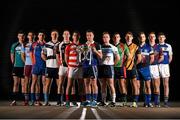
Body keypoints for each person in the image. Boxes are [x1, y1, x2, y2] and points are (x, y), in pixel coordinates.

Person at [98, 32, 120, 107]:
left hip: (109, 67)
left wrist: (113, 64)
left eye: (107, 37)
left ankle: (113, 101)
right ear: (102, 38)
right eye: (104, 37)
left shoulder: (113, 47)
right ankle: (103, 101)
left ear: (109, 38)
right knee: (103, 85)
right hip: (101, 67)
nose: (105, 38)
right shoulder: (100, 47)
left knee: (111, 84)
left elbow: (118, 58)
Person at [64, 31, 85, 107]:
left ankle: (82, 101)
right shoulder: (68, 46)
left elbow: (84, 57)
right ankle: (67, 101)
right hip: (72, 67)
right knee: (69, 85)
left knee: (81, 85)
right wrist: (69, 65)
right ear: (72, 37)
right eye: (74, 35)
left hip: (80, 68)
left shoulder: (82, 45)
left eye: (77, 35)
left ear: (79, 37)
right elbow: (66, 58)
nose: (75, 37)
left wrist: (81, 63)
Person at [82, 29, 102, 107]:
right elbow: (82, 56)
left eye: (90, 35)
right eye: (87, 35)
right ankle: (88, 100)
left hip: (93, 65)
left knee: (94, 83)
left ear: (93, 36)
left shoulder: (97, 44)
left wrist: (95, 51)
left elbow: (101, 56)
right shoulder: (84, 45)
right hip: (85, 66)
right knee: (86, 83)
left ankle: (95, 100)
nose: (89, 37)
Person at [41, 29, 60, 106]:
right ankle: (46, 101)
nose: (54, 35)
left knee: (60, 84)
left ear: (58, 35)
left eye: (55, 34)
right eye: (53, 34)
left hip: (58, 67)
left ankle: (60, 101)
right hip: (49, 67)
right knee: (47, 84)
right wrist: (47, 61)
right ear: (51, 35)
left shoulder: (60, 44)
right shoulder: (47, 44)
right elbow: (42, 54)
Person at [112, 32, 130, 106]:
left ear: (120, 38)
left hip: (120, 67)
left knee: (122, 84)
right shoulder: (110, 46)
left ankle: (124, 99)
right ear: (113, 38)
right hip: (112, 67)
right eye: (115, 37)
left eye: (118, 37)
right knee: (111, 84)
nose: (116, 38)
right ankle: (112, 99)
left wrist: (124, 64)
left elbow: (128, 56)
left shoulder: (123, 45)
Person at [137, 32, 154, 107]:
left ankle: (148, 102)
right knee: (138, 86)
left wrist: (147, 65)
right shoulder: (136, 47)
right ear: (138, 38)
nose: (141, 38)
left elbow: (152, 58)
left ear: (145, 38)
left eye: (143, 37)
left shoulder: (149, 47)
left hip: (146, 68)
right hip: (137, 68)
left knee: (147, 86)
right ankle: (136, 102)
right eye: (140, 37)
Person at [30, 31, 46, 106]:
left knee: (44, 83)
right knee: (34, 82)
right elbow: (31, 54)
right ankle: (32, 101)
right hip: (36, 66)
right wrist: (33, 64)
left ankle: (40, 100)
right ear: (38, 36)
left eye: (42, 35)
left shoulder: (46, 45)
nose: (41, 36)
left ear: (44, 36)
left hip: (44, 66)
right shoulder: (34, 44)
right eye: (40, 35)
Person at [56, 30, 72, 106]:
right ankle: (59, 101)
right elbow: (57, 56)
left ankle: (69, 100)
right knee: (60, 84)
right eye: (64, 34)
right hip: (63, 67)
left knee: (71, 85)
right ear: (62, 35)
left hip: (71, 67)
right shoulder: (60, 44)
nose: (66, 35)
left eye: (67, 34)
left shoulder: (72, 44)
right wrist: (59, 64)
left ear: (70, 35)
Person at [148, 32, 164, 107]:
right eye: (150, 36)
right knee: (147, 85)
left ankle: (156, 102)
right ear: (148, 38)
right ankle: (148, 102)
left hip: (155, 67)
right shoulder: (146, 46)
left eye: (153, 36)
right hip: (147, 67)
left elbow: (162, 57)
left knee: (156, 84)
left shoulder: (158, 47)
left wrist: (156, 62)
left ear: (155, 38)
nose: (152, 38)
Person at [10, 31, 25, 106]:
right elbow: (12, 56)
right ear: (18, 36)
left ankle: (24, 101)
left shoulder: (26, 45)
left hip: (24, 67)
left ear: (24, 37)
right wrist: (14, 64)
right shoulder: (14, 45)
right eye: (20, 36)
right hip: (16, 67)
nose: (21, 37)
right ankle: (14, 100)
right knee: (16, 83)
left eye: (22, 36)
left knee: (23, 84)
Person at [157, 32, 173, 107]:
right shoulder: (156, 46)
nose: (161, 38)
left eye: (162, 37)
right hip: (157, 66)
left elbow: (170, 57)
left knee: (166, 84)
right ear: (158, 38)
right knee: (157, 84)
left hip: (165, 66)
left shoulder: (168, 46)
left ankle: (165, 102)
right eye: (160, 37)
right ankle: (158, 101)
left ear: (165, 38)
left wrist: (166, 63)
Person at [125, 32, 139, 107]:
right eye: (127, 36)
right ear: (125, 37)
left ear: (132, 38)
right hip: (124, 68)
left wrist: (134, 64)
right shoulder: (122, 46)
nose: (128, 38)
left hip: (132, 68)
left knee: (134, 84)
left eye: (130, 36)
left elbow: (139, 58)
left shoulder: (135, 46)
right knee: (124, 85)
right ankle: (125, 101)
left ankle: (135, 102)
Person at [21, 31, 36, 105]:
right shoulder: (24, 44)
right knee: (26, 82)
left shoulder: (36, 44)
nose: (31, 36)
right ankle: (26, 100)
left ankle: (35, 100)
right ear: (27, 36)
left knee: (35, 82)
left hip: (35, 65)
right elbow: (22, 56)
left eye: (32, 35)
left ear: (34, 36)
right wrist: (26, 63)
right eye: (29, 35)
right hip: (27, 65)